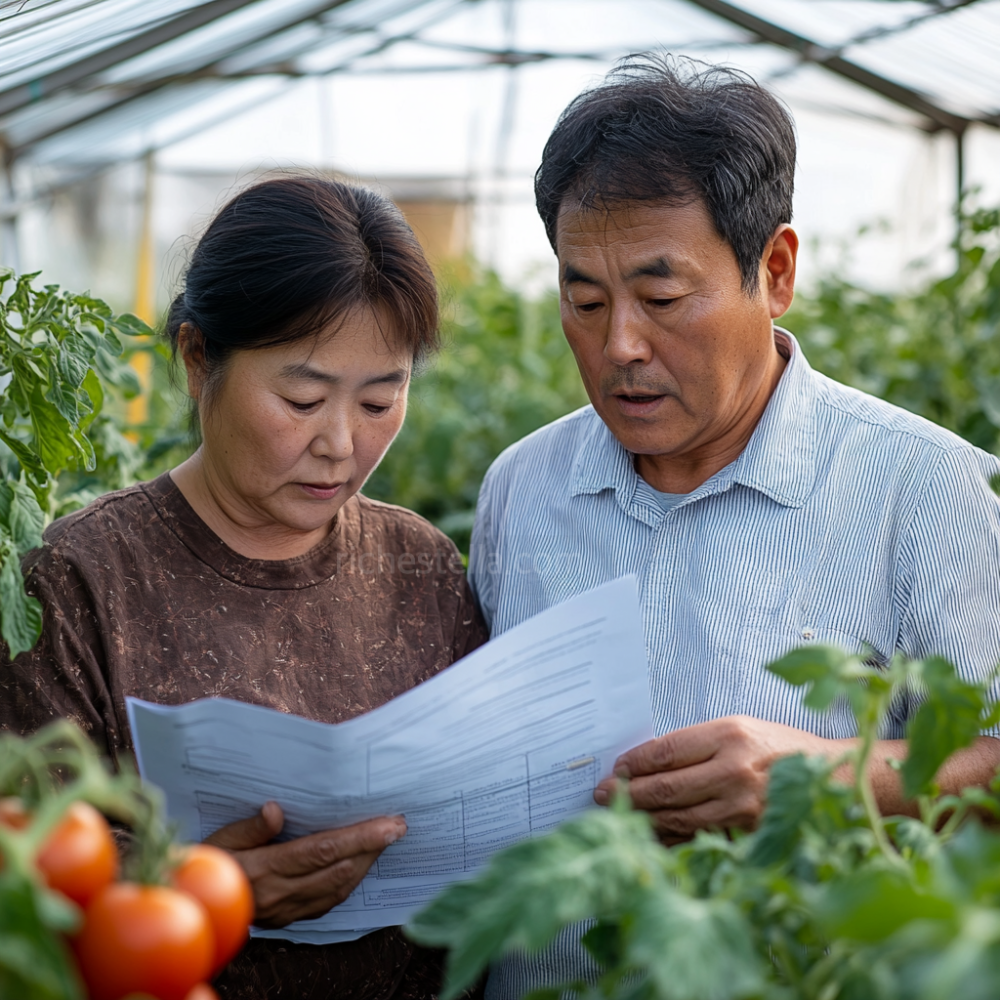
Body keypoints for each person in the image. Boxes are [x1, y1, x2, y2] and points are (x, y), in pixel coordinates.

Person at [467, 54, 1000, 996]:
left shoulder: (930, 491)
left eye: (663, 298)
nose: (620, 343)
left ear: (777, 269)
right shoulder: (523, 489)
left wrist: (838, 778)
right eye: (583, 300)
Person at [0, 177, 488, 999]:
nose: (340, 442)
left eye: (381, 398)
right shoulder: (79, 580)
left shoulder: (422, 566)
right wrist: (199, 889)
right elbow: (29, 882)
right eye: (301, 398)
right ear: (198, 361)